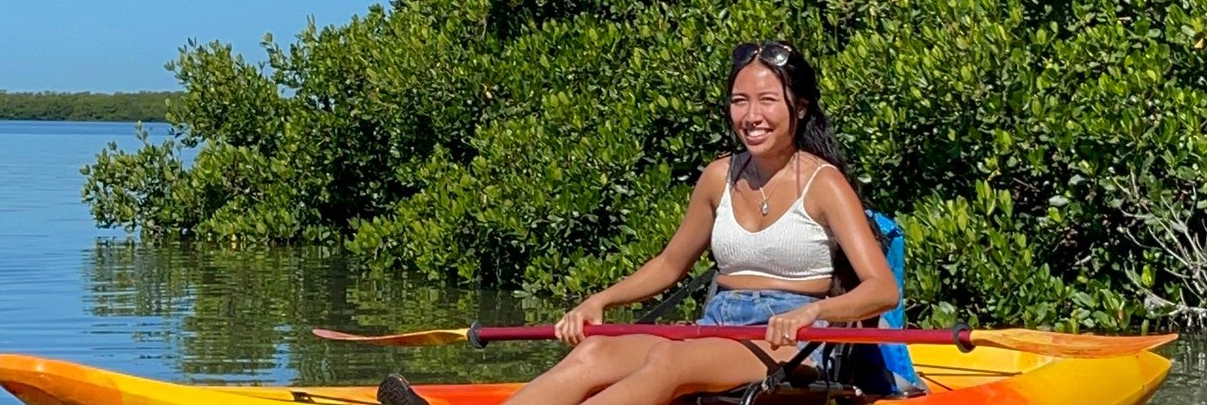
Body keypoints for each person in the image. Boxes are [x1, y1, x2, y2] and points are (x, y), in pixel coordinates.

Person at [378, 40, 900, 405]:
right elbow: (671, 263)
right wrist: (600, 301)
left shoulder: (825, 183)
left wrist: (817, 311)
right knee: (598, 349)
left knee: (668, 366)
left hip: (788, 339)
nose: (751, 115)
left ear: (800, 107)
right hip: (717, 327)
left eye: (767, 100)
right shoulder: (719, 177)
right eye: (740, 101)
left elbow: (881, 290)